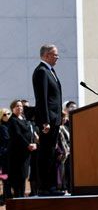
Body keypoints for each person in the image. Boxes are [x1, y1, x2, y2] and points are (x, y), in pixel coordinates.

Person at [31, 44, 63, 196]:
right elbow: (42, 98)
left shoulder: (51, 71)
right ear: (46, 55)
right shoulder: (41, 72)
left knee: (51, 153)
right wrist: (45, 121)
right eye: (54, 54)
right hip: (48, 122)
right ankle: (44, 187)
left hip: (54, 119)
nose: (57, 57)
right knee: (46, 154)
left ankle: (51, 186)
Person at [6, 100, 38, 199]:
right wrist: (28, 145)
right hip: (17, 153)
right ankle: (18, 199)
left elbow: (31, 132)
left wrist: (34, 143)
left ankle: (22, 199)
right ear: (12, 109)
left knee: (24, 176)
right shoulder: (12, 120)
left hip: (26, 153)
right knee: (18, 177)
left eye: (21, 106)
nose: (20, 107)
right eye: (17, 106)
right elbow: (18, 135)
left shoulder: (24, 118)